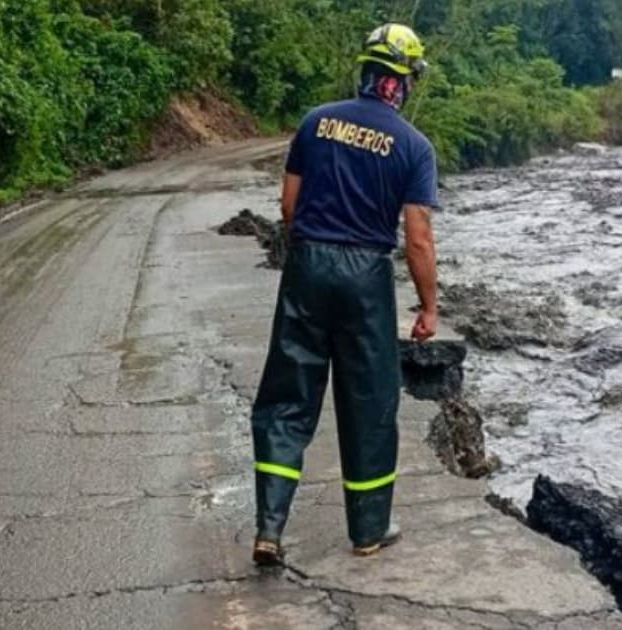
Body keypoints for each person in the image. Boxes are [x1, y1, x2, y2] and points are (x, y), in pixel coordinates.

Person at [248, 23, 439, 566]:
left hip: (308, 264)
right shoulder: (413, 147)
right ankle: (368, 531)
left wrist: (311, 255)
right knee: (370, 402)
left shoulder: (315, 122)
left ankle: (269, 526)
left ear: (366, 70)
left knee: (287, 396)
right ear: (403, 80)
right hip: (366, 277)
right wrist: (428, 306)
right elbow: (418, 236)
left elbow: (288, 205)